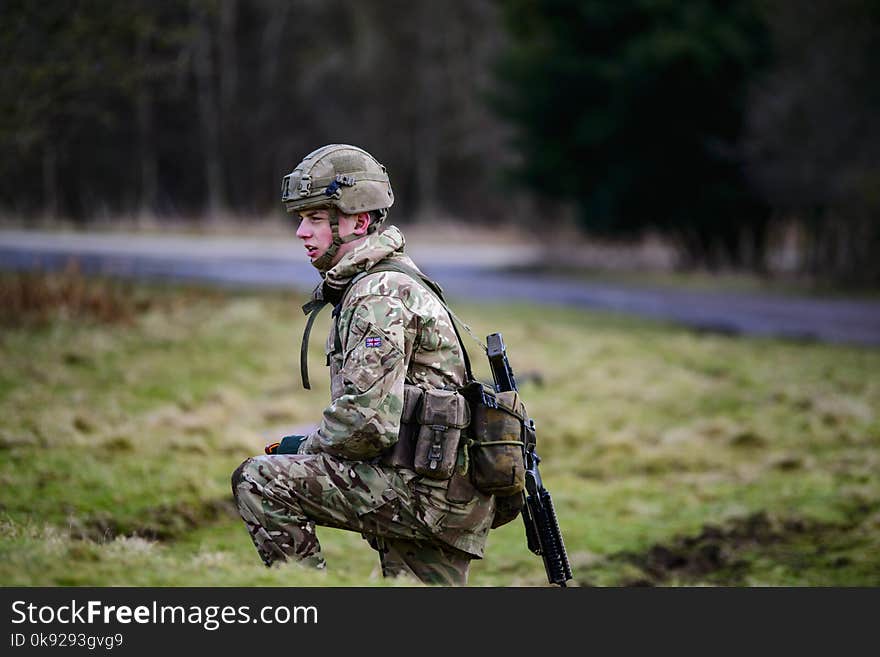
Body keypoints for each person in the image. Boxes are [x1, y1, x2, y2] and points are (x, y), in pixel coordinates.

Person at [231, 144, 504, 586]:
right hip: (444, 491)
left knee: (261, 480)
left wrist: (301, 448)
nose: (301, 232)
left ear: (358, 221)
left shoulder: (376, 293)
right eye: (301, 219)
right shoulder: (392, 277)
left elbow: (366, 425)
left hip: (419, 494)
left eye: (316, 219)